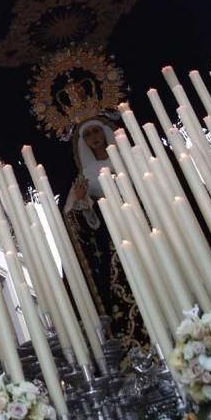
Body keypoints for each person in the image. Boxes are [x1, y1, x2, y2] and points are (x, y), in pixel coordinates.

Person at [62, 115, 144, 352]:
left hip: (138, 221)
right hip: (112, 235)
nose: (93, 138)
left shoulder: (127, 161)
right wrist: (81, 202)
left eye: (96, 132)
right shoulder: (86, 174)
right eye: (87, 135)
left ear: (105, 133)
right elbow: (74, 214)